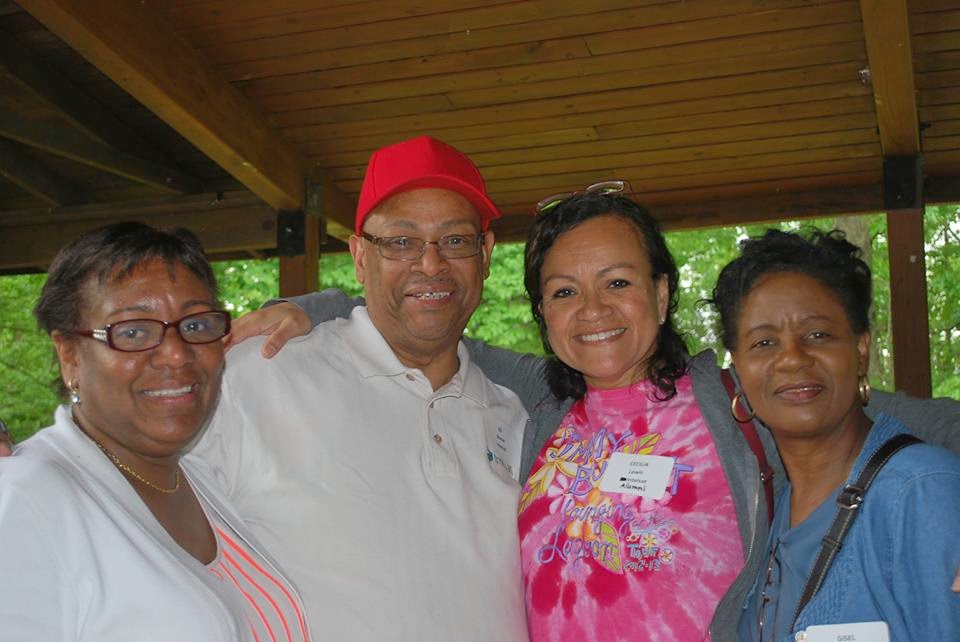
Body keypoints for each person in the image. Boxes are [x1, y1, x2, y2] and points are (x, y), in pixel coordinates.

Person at [239, 189, 960, 641]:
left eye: (617, 282)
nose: (593, 311)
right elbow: (425, 320)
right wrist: (316, 306)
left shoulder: (740, 396)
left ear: (661, 293)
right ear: (544, 313)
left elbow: (912, 424)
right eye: (564, 292)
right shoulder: (538, 401)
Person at [192, 136, 530, 641]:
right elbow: (147, 543)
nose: (431, 264)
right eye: (401, 241)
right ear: (358, 256)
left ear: (485, 254)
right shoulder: (257, 374)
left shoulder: (513, 415)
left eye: (456, 240)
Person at [0, 223, 310, 642]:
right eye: (132, 332)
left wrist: (314, 311)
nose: (176, 354)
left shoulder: (196, 480)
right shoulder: (28, 499)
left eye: (196, 326)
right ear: (69, 356)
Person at [707, 229, 960, 642]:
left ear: (860, 350)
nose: (792, 359)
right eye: (764, 342)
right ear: (739, 370)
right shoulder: (774, 510)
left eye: (817, 335)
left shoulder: (921, 494)